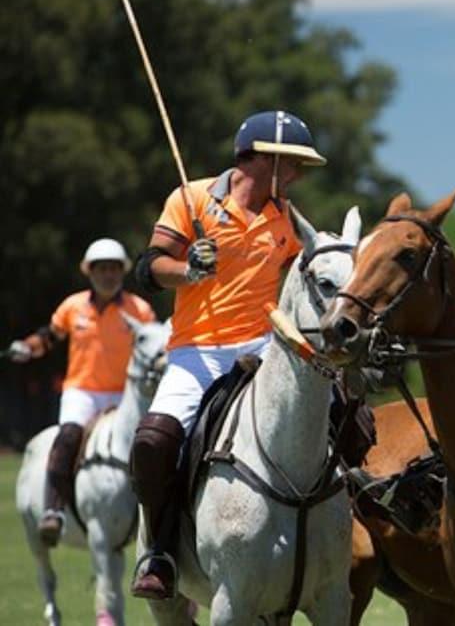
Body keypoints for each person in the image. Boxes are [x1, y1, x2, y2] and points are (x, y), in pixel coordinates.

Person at [128, 110, 326, 599]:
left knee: (343, 414)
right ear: (259, 157)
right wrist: (188, 269)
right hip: (196, 351)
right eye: (292, 163)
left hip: (263, 349)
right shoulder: (192, 198)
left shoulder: (287, 220)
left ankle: (348, 532)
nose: (298, 174)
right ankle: (158, 550)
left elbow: (320, 265)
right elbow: (148, 269)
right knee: (154, 442)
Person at [7, 239, 156, 546]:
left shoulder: (138, 309)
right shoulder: (73, 306)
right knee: (68, 436)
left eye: (114, 269)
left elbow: (156, 341)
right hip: (82, 391)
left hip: (124, 396)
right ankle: (53, 510)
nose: (108, 275)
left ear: (122, 273)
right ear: (90, 272)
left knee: (152, 446)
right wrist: (28, 347)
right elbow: (49, 337)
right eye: (101, 269)